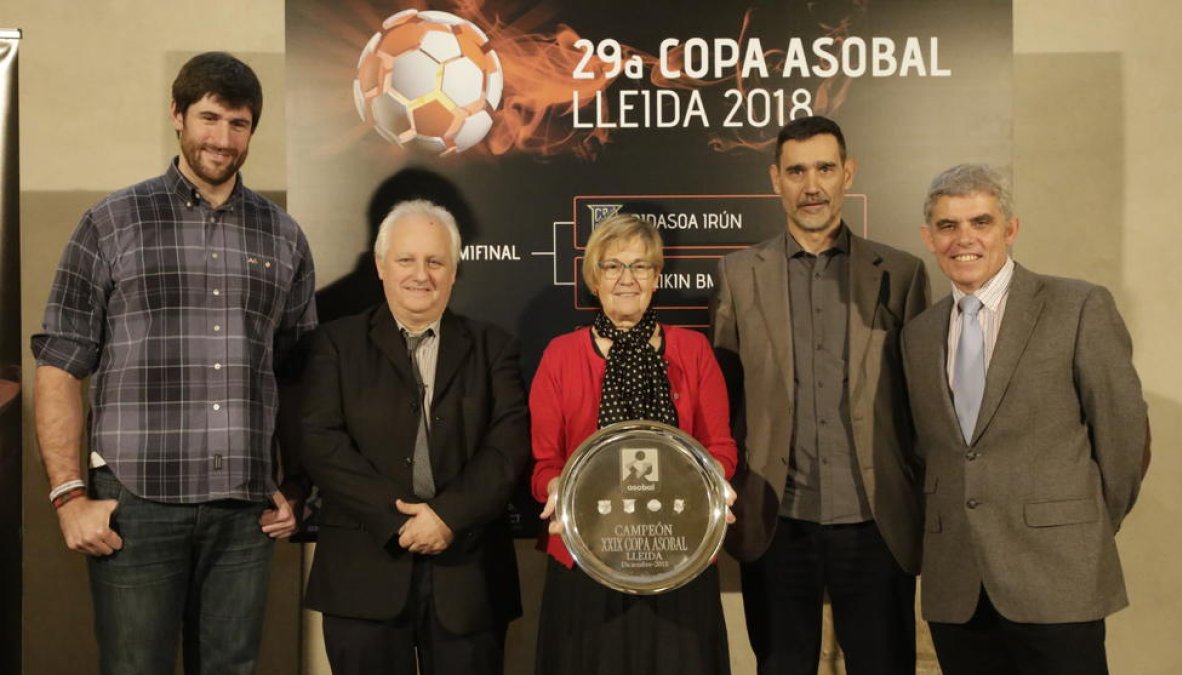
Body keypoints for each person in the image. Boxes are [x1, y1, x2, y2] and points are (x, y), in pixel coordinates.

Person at [31, 51, 316, 673]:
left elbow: (295, 373)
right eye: (209, 119)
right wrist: (67, 494)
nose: (222, 139)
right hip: (136, 504)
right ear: (177, 116)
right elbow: (59, 364)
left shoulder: (284, 237)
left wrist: (295, 483)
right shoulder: (110, 223)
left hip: (245, 512)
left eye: (238, 124)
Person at [901, 164, 1148, 675]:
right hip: (959, 585)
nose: (963, 239)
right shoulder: (918, 335)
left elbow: (1124, 437)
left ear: (1010, 230)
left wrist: (1080, 526)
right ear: (929, 237)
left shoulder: (1077, 306)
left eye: (981, 222)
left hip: (1058, 576)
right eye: (948, 226)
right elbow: (928, 452)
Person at [710, 115, 930, 675]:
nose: (812, 185)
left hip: (875, 519)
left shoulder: (901, 275)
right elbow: (724, 401)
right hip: (777, 520)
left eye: (825, 168)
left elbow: (925, 407)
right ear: (775, 180)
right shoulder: (738, 275)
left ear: (847, 173)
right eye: (797, 171)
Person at [299, 199, 528, 675]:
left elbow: (507, 448)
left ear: (454, 271)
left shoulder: (494, 347)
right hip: (364, 575)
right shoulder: (335, 344)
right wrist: (398, 519)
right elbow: (321, 441)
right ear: (381, 266)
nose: (420, 274)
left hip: (469, 578)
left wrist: (447, 516)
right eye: (406, 260)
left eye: (435, 261)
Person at [531, 214, 738, 675]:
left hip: (678, 553)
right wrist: (556, 488)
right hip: (586, 559)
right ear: (594, 277)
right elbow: (545, 463)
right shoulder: (560, 356)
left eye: (641, 267)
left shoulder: (693, 351)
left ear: (656, 277)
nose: (627, 279)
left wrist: (716, 482)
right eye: (613, 266)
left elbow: (720, 448)